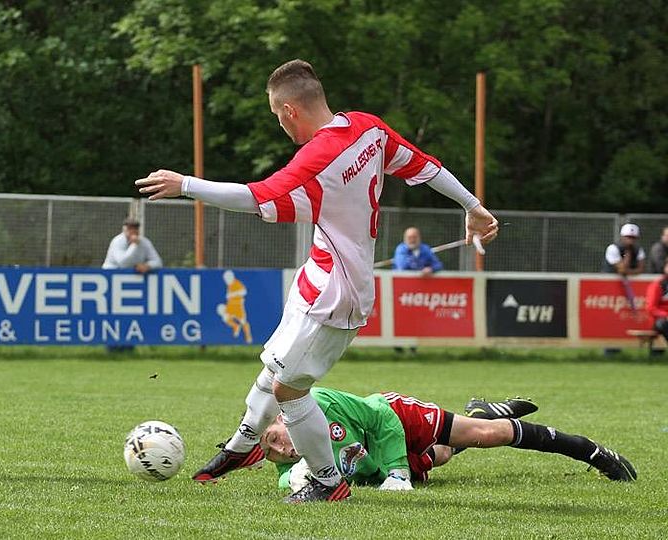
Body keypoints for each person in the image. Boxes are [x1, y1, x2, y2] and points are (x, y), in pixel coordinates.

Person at [135, 59, 498, 503]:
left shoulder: (317, 157)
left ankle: (328, 481)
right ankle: (241, 448)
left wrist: (186, 184)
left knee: (289, 390)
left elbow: (256, 196)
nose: (280, 123)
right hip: (316, 277)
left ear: (290, 111)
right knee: (273, 370)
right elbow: (425, 166)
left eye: (277, 115)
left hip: (336, 295)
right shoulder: (367, 128)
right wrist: (472, 206)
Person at [260, 388, 637, 493]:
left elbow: (380, 417)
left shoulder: (318, 403)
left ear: (282, 418)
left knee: (486, 437)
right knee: (441, 456)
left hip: (396, 418)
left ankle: (592, 451)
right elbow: (286, 479)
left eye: (275, 438)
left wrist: (397, 473)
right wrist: (291, 478)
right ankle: (484, 411)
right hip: (383, 457)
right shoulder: (298, 461)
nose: (282, 449)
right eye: (274, 453)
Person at [645, 259, 668, 343]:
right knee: (662, 323)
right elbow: (650, 308)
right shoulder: (657, 285)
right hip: (659, 321)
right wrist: (666, 315)